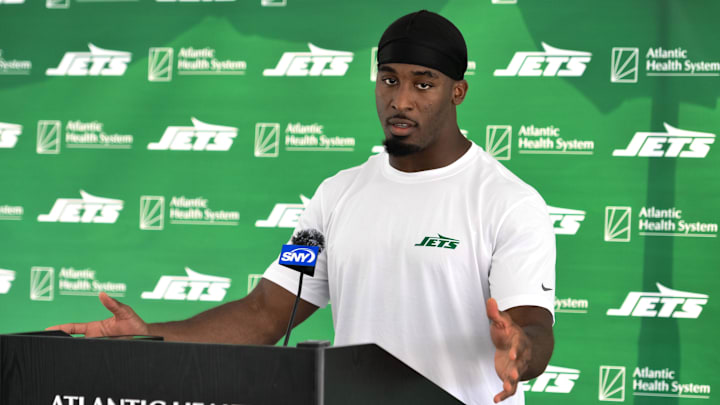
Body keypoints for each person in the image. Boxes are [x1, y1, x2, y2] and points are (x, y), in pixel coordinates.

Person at [49, 10, 555, 405]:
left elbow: (532, 328)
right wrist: (150, 335)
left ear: (458, 91)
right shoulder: (336, 195)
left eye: (423, 83)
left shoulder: (507, 203)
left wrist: (522, 351)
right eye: (389, 79)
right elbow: (265, 313)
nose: (401, 99)